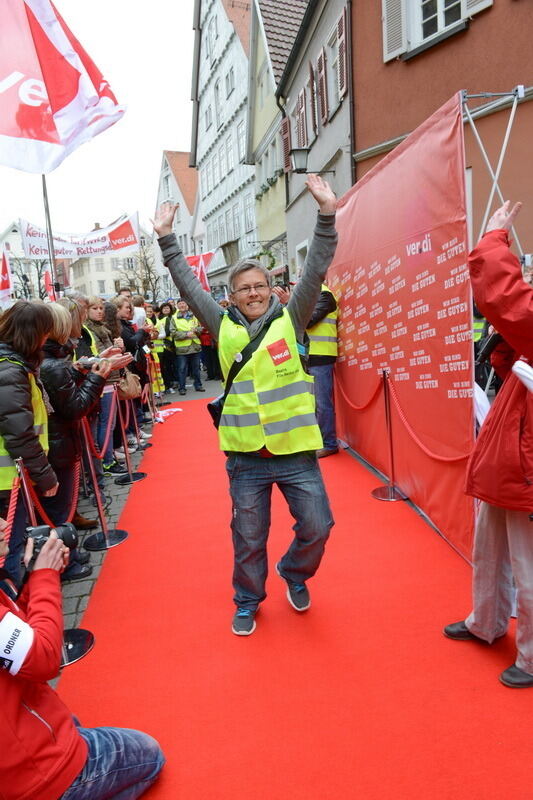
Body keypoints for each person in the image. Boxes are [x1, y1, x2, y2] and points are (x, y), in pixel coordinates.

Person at [153, 174, 337, 636]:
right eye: (244, 289)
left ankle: (294, 572)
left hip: (296, 454)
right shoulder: (220, 324)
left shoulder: (292, 318)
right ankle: (247, 600)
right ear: (231, 297)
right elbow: (189, 287)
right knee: (248, 538)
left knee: (318, 525)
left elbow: (315, 267)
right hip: (245, 458)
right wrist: (166, 239)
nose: (253, 293)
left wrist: (326, 215)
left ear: (270, 288)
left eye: (259, 286)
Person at [0, 525, 165, 800]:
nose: (5, 523)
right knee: (151, 756)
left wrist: (33, 581)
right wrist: (44, 576)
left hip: (19, 754)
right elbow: (43, 659)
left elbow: (18, 638)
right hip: (34, 775)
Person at [443, 200, 533, 688]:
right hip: (513, 448)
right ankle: (486, 621)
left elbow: (510, 303)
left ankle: (532, 657)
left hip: (525, 459)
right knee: (492, 546)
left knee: (528, 563)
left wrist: (495, 238)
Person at [0, 301, 58, 589]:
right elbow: (20, 434)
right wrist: (44, 475)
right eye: (45, 332)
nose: (47, 339)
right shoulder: (10, 371)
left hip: (11, 475)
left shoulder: (11, 366)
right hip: (7, 479)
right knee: (11, 549)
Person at [171, 299, 204, 395]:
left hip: (195, 346)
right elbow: (173, 333)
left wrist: (196, 330)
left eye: (184, 303)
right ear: (177, 306)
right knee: (182, 369)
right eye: (180, 304)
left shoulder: (194, 316)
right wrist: (186, 334)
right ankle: (182, 388)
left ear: (187, 305)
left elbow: (200, 327)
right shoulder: (174, 318)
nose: (182, 305)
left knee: (196, 368)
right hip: (182, 348)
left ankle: (198, 385)